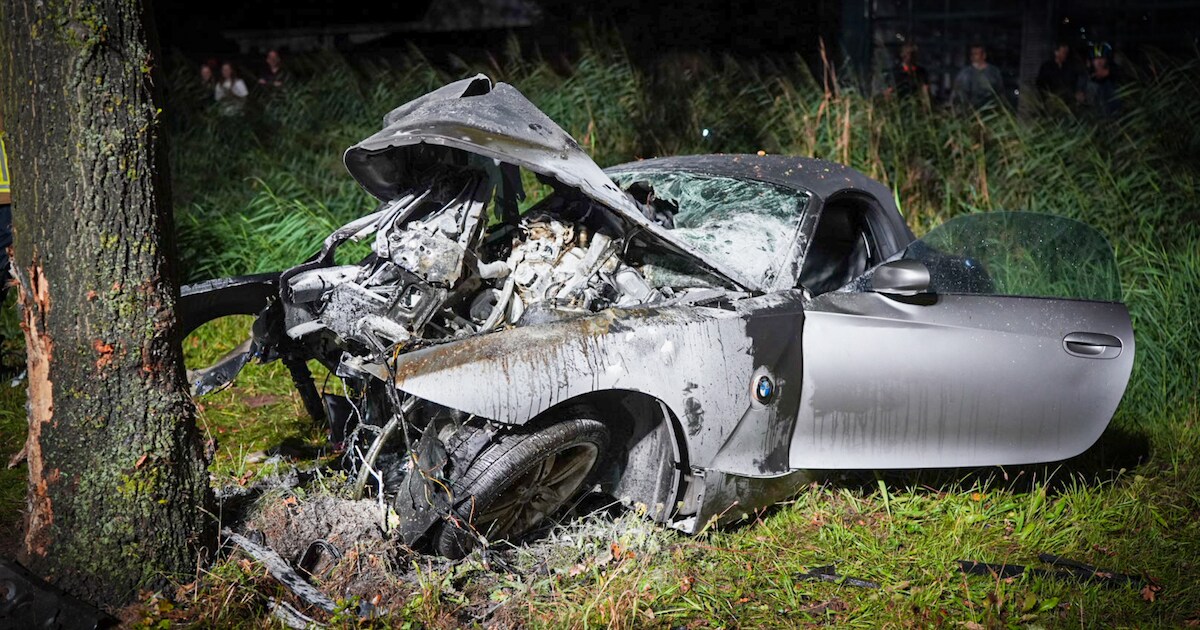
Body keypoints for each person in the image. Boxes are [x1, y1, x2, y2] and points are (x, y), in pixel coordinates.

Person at [951, 43, 1004, 110]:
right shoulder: (964, 73)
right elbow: (957, 93)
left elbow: (1000, 91)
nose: (973, 56)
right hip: (970, 110)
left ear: (984, 55)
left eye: (976, 54)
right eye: (972, 54)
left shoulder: (993, 72)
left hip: (990, 109)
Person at [1036, 43, 1082, 108]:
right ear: (1056, 52)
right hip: (1051, 102)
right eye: (1063, 52)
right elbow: (1040, 85)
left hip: (1066, 103)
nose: (1065, 55)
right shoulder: (1047, 67)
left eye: (1066, 53)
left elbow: (1073, 83)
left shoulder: (1070, 68)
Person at [1082, 43, 1120, 119]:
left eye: (1102, 58)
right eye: (1095, 59)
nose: (1099, 62)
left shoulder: (1116, 76)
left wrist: (1109, 73)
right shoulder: (1085, 77)